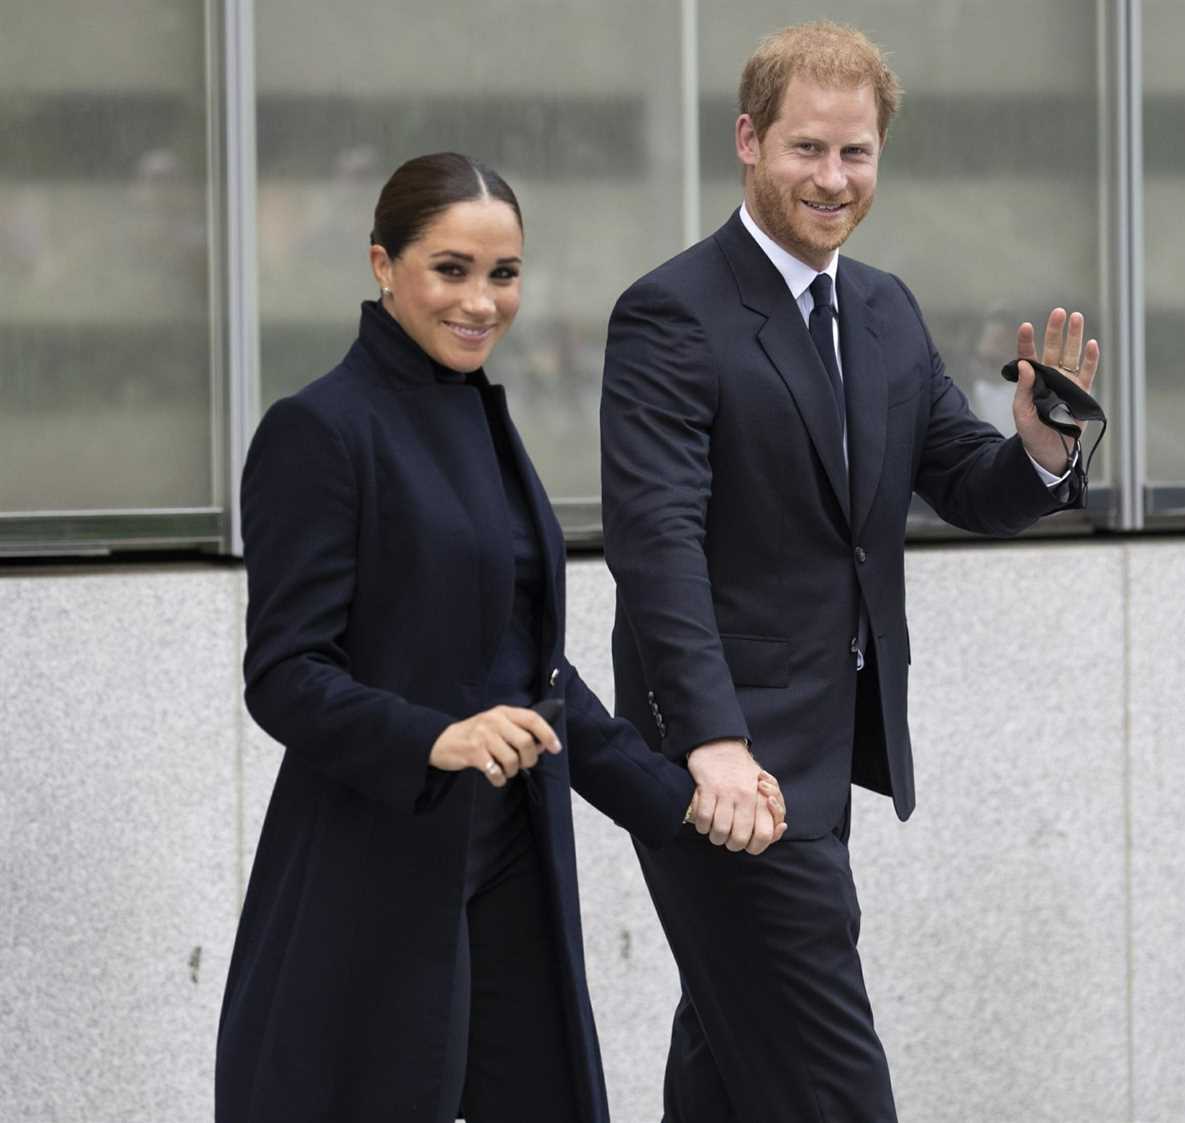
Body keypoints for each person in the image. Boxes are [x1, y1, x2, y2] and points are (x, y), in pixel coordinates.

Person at [215, 152, 785, 1123]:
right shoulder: (318, 432)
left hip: (512, 865)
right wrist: (434, 736)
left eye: (503, 273)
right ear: (381, 265)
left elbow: (534, 670)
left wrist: (681, 798)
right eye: (451, 269)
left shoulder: (480, 420)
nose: (481, 301)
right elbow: (283, 675)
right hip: (373, 880)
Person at [600, 22, 1100, 1123]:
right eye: (806, 149)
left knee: (731, 1061)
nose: (831, 179)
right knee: (832, 1084)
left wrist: (1040, 447)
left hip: (824, 756)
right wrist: (711, 743)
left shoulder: (880, 308)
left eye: (855, 154)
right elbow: (655, 545)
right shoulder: (670, 313)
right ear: (747, 140)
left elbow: (965, 483)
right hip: (721, 767)